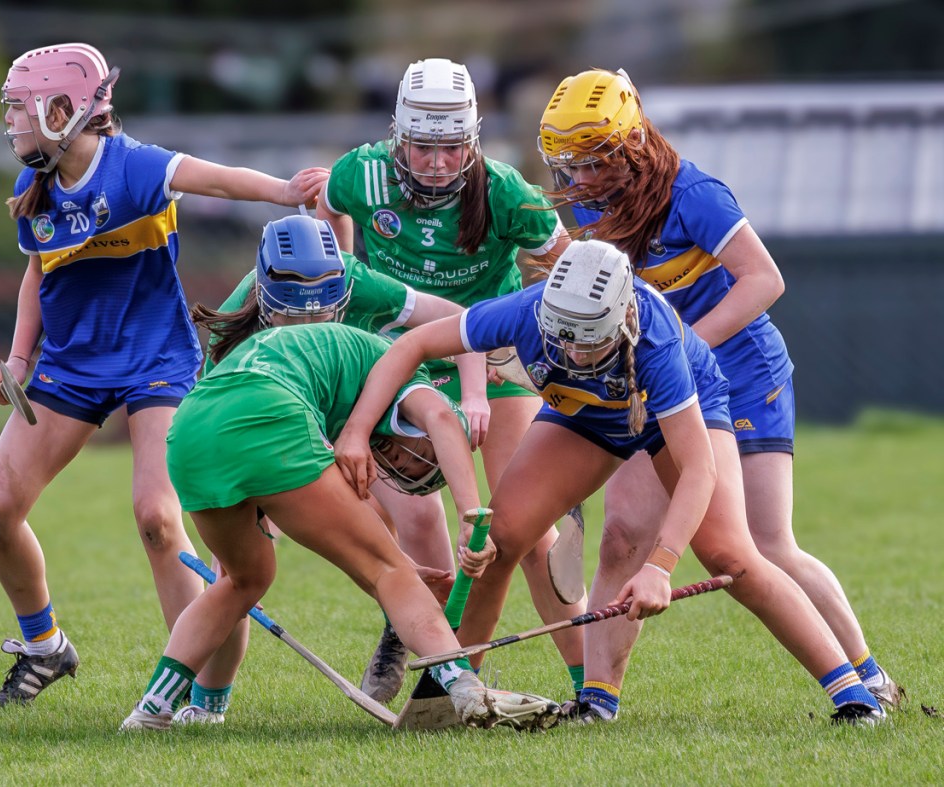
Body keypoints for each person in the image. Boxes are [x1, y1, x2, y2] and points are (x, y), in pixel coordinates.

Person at [336, 239, 885, 726]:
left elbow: (699, 469)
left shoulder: (656, 343)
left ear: (622, 317)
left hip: (668, 417)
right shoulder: (525, 310)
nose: (574, 354)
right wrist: (357, 430)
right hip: (583, 417)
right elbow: (411, 345)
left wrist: (660, 566)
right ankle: (460, 694)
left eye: (588, 343)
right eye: (564, 342)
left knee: (730, 556)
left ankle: (855, 696)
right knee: (499, 542)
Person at [536, 67, 901, 713]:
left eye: (594, 161)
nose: (582, 179)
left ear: (632, 142)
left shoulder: (694, 193)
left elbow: (764, 279)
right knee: (623, 535)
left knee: (763, 546)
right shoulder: (592, 200)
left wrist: (679, 348)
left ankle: (868, 678)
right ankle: (597, 700)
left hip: (742, 372)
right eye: (572, 165)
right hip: (657, 383)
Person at [0, 42, 328, 707]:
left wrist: (284, 193)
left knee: (159, 519)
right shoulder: (34, 185)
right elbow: (37, 272)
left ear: (62, 112)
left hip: (155, 363)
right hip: (71, 366)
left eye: (21, 108)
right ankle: (44, 645)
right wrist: (19, 359)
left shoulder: (132, 167)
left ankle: (190, 692)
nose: (11, 121)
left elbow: (214, 178)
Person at [119, 322, 561, 732]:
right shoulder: (410, 379)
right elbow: (444, 420)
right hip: (268, 410)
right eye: (420, 455)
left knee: (244, 579)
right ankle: (464, 687)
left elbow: (323, 513)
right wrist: (468, 515)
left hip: (190, 430)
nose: (402, 459)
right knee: (388, 573)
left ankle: (152, 709)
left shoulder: (336, 375)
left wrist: (398, 562)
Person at [316, 57, 584, 704]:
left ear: (473, 139)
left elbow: (571, 269)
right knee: (415, 520)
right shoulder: (362, 173)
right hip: (400, 352)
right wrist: (347, 277)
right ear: (398, 136)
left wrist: (554, 346)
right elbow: (327, 206)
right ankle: (418, 642)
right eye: (423, 147)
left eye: (452, 147)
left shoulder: (506, 191)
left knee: (526, 527)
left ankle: (592, 686)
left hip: (492, 356)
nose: (438, 164)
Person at [172, 213, 490, 723]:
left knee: (417, 518)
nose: (310, 323)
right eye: (293, 312)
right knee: (235, 577)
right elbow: (240, 450)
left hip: (367, 406)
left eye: (322, 307)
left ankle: (437, 663)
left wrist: (474, 395)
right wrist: (240, 541)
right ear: (264, 293)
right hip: (282, 425)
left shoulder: (358, 281)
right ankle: (208, 706)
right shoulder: (234, 323)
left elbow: (459, 322)